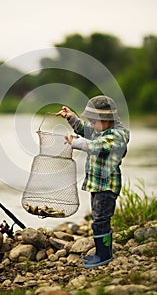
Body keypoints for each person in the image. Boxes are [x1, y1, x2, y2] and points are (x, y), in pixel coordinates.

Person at [56, 95, 130, 269]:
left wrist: (76, 142)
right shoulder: (101, 129)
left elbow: (97, 146)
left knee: (101, 220)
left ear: (107, 119)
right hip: (97, 184)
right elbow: (85, 129)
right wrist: (72, 118)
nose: (92, 126)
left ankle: (103, 255)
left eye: (94, 122)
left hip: (107, 186)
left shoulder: (118, 135)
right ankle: (101, 252)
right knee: (98, 217)